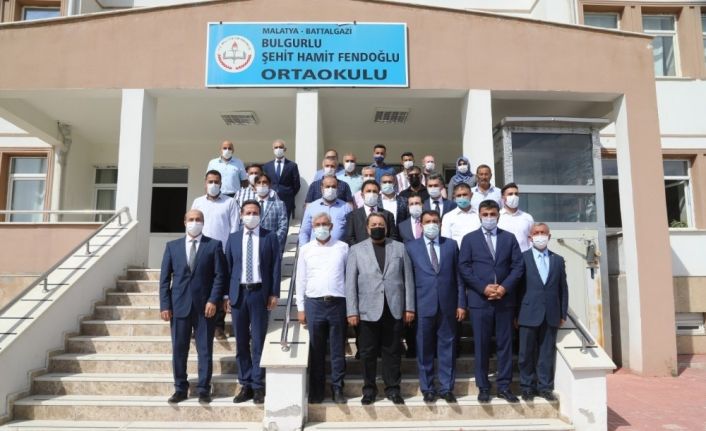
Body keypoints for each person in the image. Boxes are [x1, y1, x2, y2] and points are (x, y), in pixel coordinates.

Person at [345, 212, 415, 405]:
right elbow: (350, 283)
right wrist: (352, 311)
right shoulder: (356, 250)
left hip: (394, 308)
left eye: (381, 224)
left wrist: (409, 307)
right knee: (367, 353)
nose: (378, 227)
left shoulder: (399, 248)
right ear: (367, 229)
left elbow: (408, 279)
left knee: (392, 351)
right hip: (367, 310)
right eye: (374, 225)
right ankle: (369, 390)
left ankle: (393, 389)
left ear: (387, 227)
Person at [458, 200, 524, 404]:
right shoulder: (469, 239)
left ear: (498, 215)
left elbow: (518, 266)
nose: (489, 218)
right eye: (485, 214)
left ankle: (504, 386)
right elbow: (464, 268)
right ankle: (483, 387)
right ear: (479, 215)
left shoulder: (509, 238)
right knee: (481, 345)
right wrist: (483, 287)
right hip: (480, 301)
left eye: (492, 214)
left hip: (504, 301)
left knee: (505, 344)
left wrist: (504, 288)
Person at [159, 209, 226, 404]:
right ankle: (180, 388)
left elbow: (220, 276)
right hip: (179, 306)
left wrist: (213, 300)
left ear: (203, 223)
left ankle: (204, 389)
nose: (194, 222)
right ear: (184, 222)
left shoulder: (213, 245)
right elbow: (164, 280)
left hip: (205, 308)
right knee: (179, 349)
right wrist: (165, 305)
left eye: (198, 219)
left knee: (204, 350)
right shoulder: (172, 247)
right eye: (191, 219)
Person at [405, 210, 467, 403]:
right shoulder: (411, 247)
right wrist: (409, 307)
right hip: (422, 305)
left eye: (435, 221)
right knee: (424, 349)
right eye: (427, 221)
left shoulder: (451, 245)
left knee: (448, 347)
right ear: (421, 225)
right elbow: (408, 280)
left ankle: (447, 388)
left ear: (440, 224)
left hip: (448, 306)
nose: (431, 224)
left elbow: (459, 277)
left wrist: (461, 304)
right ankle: (428, 388)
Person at [224, 200, 281, 404]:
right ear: (241, 215)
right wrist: (226, 296)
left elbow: (275, 266)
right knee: (241, 342)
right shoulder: (233, 238)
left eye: (255, 212)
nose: (251, 216)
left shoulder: (270, 237)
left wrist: (274, 293)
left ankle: (258, 385)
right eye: (248, 212)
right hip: (238, 294)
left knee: (257, 341)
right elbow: (227, 268)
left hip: (259, 294)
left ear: (260, 214)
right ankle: (245, 384)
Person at [296, 213, 349, 404]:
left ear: (331, 226)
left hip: (338, 303)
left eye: (324, 224)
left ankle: (337, 388)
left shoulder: (343, 248)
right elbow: (301, 279)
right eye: (317, 224)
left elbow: (348, 277)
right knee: (316, 349)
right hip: (314, 304)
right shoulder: (305, 250)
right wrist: (300, 307)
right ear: (312, 227)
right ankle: (317, 390)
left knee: (337, 349)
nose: (321, 227)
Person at [517, 223, 568, 402]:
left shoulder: (558, 260)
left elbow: (563, 288)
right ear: (530, 237)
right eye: (536, 233)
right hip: (527, 312)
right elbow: (517, 288)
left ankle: (545, 387)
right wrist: (515, 314)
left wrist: (563, 313)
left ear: (549, 236)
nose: (540, 236)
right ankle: (527, 387)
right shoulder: (522, 258)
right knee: (526, 353)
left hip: (551, 313)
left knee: (546, 353)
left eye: (543, 233)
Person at [191, 170, 239, 339]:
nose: (213, 184)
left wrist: (230, 250)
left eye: (216, 181)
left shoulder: (230, 202)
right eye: (210, 181)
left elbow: (234, 228)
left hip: (222, 251)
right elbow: (192, 223)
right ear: (205, 183)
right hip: (201, 251)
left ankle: (218, 326)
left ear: (221, 184)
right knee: (200, 286)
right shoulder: (197, 202)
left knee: (220, 288)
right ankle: (197, 326)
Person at [299, 175, 352, 245]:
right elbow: (304, 232)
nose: (331, 189)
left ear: (337, 188)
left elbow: (351, 233)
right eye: (327, 186)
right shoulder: (311, 207)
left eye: (333, 187)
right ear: (322, 188)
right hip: (315, 249)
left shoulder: (346, 207)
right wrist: (304, 248)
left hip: (338, 249)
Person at [345, 180, 399, 245]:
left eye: (374, 191)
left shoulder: (388, 215)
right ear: (362, 195)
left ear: (379, 195)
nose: (371, 194)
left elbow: (393, 237)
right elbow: (350, 238)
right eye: (368, 191)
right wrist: (360, 250)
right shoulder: (352, 216)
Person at [263, 139, 301, 219]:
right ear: (273, 149)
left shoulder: (292, 165)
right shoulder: (267, 166)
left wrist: (289, 193)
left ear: (285, 149)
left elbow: (296, 184)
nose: (278, 149)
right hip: (270, 199)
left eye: (280, 147)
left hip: (286, 200)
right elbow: (264, 182)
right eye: (276, 147)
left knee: (285, 223)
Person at [253, 173, 288, 253]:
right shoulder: (249, 204)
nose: (262, 185)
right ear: (254, 186)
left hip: (272, 248)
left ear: (270, 185)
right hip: (253, 246)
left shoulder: (279, 204)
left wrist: (272, 242)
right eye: (259, 182)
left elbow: (283, 227)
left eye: (264, 182)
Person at [498, 183, 535, 252]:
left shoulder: (527, 217)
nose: (514, 196)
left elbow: (532, 239)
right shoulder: (498, 217)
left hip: (524, 256)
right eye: (510, 194)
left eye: (516, 194)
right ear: (503, 197)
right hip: (504, 256)